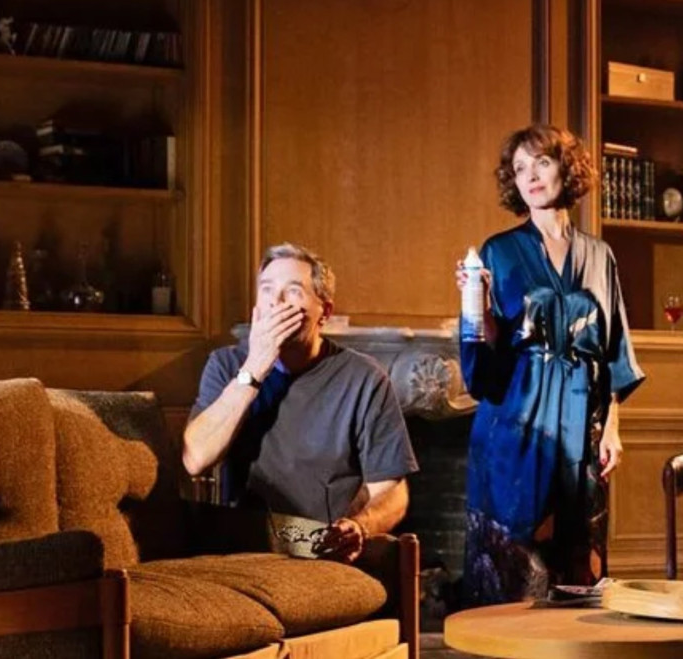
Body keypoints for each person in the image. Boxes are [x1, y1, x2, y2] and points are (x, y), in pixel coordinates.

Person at [458, 124, 644, 606]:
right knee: (516, 561)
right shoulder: (498, 251)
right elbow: (487, 349)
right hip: (518, 417)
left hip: (583, 422)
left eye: (541, 162)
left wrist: (612, 429)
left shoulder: (600, 255)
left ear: (567, 168)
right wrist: (478, 304)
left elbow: (614, 349)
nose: (531, 176)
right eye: (520, 168)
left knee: (581, 560)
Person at [183, 243, 417, 563]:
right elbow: (195, 459)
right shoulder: (226, 365)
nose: (276, 301)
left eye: (293, 291)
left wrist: (360, 526)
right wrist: (255, 368)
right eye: (267, 289)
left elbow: (392, 491)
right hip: (245, 546)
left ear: (325, 312)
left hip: (321, 550)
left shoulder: (364, 378)